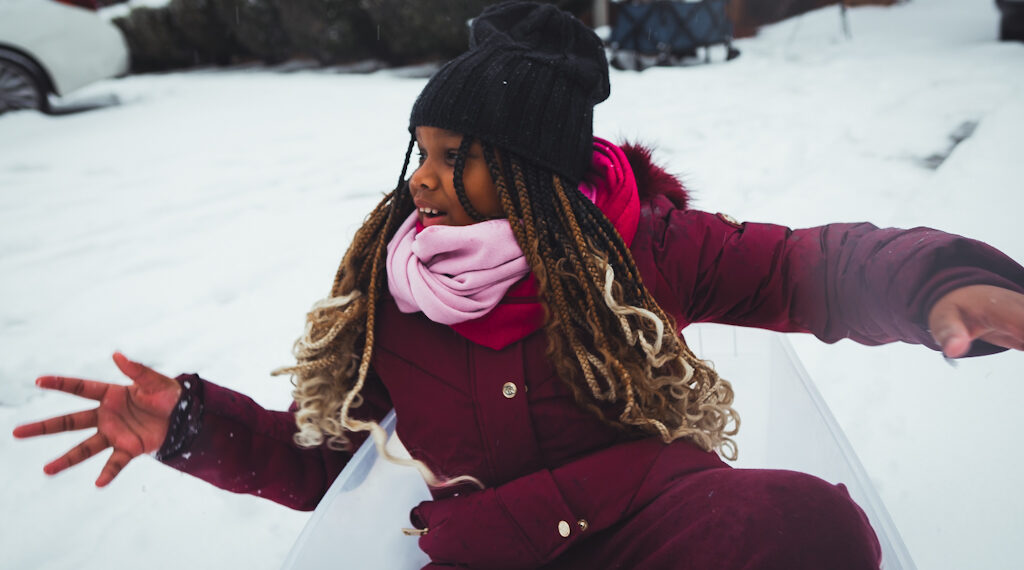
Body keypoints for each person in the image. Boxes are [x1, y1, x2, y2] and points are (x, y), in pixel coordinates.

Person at [13, 2, 1024, 569]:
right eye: (418, 150)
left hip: (650, 534)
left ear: (534, 172)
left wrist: (940, 284)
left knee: (805, 523)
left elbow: (808, 266)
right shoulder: (399, 287)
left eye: (452, 156)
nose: (419, 181)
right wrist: (192, 426)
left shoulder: (643, 246)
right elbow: (335, 468)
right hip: (487, 557)